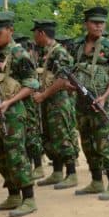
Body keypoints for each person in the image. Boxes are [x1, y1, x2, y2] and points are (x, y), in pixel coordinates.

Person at [0, 12, 40, 217]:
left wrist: (10, 102)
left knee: (16, 154)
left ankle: (28, 198)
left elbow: (32, 84)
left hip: (13, 112)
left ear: (10, 30)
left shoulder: (19, 54)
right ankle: (13, 194)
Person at [69, 7, 109, 201]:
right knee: (87, 143)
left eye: (102, 23)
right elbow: (70, 71)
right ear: (86, 24)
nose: (99, 26)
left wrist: (105, 96)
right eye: (95, 22)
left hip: (101, 103)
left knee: (104, 142)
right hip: (82, 103)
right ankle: (96, 180)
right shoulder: (76, 45)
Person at [32, 19, 81, 190]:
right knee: (50, 137)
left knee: (62, 136)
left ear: (42, 33)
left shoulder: (59, 53)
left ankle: (71, 173)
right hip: (47, 101)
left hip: (58, 101)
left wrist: (43, 95)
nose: (34, 37)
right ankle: (57, 172)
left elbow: (62, 80)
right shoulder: (46, 52)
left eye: (35, 33)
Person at [16, 34, 46, 180]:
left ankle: (38, 166)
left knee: (32, 134)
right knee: (25, 135)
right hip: (21, 101)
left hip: (28, 101)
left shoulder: (25, 59)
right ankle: (28, 164)